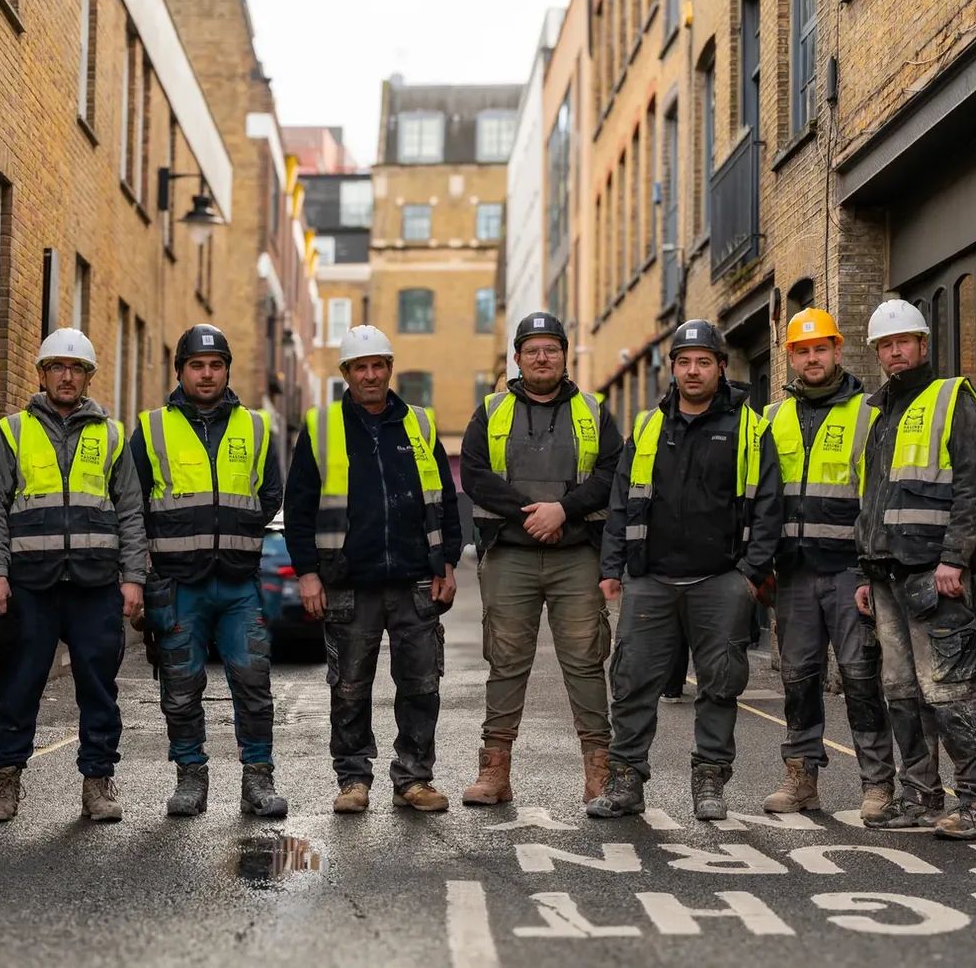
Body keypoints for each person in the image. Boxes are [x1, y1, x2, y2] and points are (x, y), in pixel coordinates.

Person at [587, 319, 782, 822]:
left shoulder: (750, 428)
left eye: (703, 362)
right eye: (684, 362)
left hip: (721, 580)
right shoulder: (648, 427)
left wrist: (749, 575)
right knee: (631, 682)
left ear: (721, 367)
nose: (693, 370)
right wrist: (613, 566)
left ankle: (710, 781)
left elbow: (768, 507)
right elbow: (622, 502)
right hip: (650, 580)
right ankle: (626, 782)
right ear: (672, 368)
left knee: (720, 684)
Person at [283, 325, 462, 814]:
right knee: (349, 688)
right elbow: (298, 508)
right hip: (348, 581)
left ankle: (414, 779)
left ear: (389, 368)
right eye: (360, 367)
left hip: (415, 579)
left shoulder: (419, 424)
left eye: (378, 365)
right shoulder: (322, 426)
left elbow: (445, 501)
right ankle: (353, 779)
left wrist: (446, 561)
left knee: (421, 686)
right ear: (346, 373)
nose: (370, 375)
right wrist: (307, 573)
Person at [0, 328, 148, 823]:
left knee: (99, 687)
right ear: (42, 375)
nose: (66, 377)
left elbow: (131, 512)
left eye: (76, 369)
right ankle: (6, 781)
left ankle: (97, 783)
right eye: (56, 368)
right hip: (30, 584)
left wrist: (133, 577)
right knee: (18, 683)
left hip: (96, 585)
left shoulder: (111, 435)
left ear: (88, 377)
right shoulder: (13, 432)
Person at [459, 311, 623, 805]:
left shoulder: (594, 411)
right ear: (517, 358)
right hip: (510, 553)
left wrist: (563, 511)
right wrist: (530, 514)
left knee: (585, 661)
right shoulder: (491, 411)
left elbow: (612, 473)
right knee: (506, 661)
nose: (542, 357)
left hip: (576, 556)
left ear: (565, 355)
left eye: (551, 348)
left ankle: (599, 774)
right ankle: (494, 773)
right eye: (532, 350)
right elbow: (475, 473)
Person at [855, 299, 976, 839]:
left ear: (922, 344)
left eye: (903, 342)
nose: (895, 352)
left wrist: (954, 558)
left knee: (949, 689)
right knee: (900, 690)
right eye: (885, 346)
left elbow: (973, 485)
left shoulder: (950, 398)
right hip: (885, 574)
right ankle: (920, 795)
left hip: (932, 573)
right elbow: (871, 497)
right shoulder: (879, 411)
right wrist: (864, 572)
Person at [129, 325, 286, 818]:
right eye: (196, 365)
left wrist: (234, 533)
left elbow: (270, 494)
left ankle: (257, 780)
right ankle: (190, 778)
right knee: (180, 687)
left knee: (253, 683)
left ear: (227, 371)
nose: (207, 373)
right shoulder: (152, 428)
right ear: (180, 371)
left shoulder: (256, 427)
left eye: (216, 365)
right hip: (177, 583)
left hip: (239, 583)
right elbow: (132, 504)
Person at [757, 308, 899, 820]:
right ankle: (800, 780)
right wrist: (760, 563)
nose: (812, 358)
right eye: (802, 351)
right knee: (798, 679)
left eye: (821, 348)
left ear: (838, 351)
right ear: (790, 358)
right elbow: (759, 496)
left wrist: (870, 570)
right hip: (792, 572)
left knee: (861, 678)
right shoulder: (772, 418)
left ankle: (877, 784)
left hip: (848, 573)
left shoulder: (868, 413)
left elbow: (879, 498)